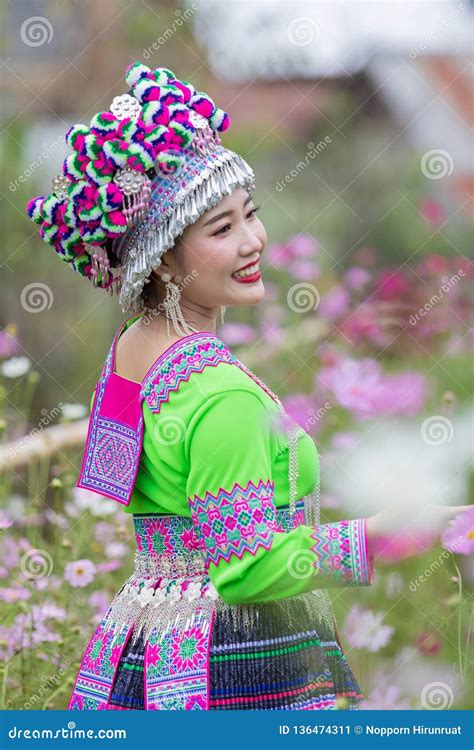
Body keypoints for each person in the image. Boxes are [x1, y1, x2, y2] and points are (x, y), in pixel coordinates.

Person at [26, 61, 470, 711]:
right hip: (235, 672)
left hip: (147, 648)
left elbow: (141, 495)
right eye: (221, 229)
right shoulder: (219, 397)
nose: (253, 240)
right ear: (161, 258)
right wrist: (391, 530)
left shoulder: (133, 354)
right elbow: (249, 567)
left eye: (250, 214)